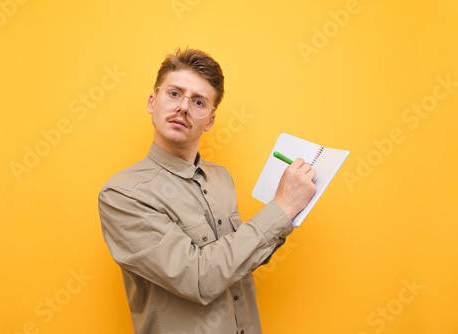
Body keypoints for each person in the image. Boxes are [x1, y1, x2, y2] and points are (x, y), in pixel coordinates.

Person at [98, 47, 316, 334]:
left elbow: (238, 260)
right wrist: (282, 208)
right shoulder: (122, 194)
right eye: (174, 93)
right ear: (153, 102)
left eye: (199, 101)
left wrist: (288, 211)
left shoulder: (220, 178)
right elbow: (198, 278)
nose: (184, 107)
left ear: (210, 120)